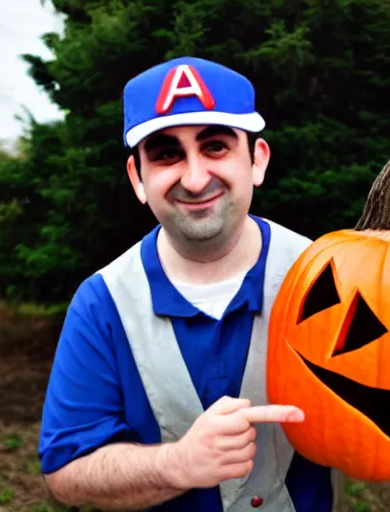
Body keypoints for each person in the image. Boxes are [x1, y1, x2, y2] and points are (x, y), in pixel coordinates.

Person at [38, 56, 343, 511]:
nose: (196, 178)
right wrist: (176, 465)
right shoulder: (103, 304)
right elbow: (66, 474)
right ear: (138, 178)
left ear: (256, 161)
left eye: (215, 146)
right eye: (166, 154)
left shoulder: (330, 277)